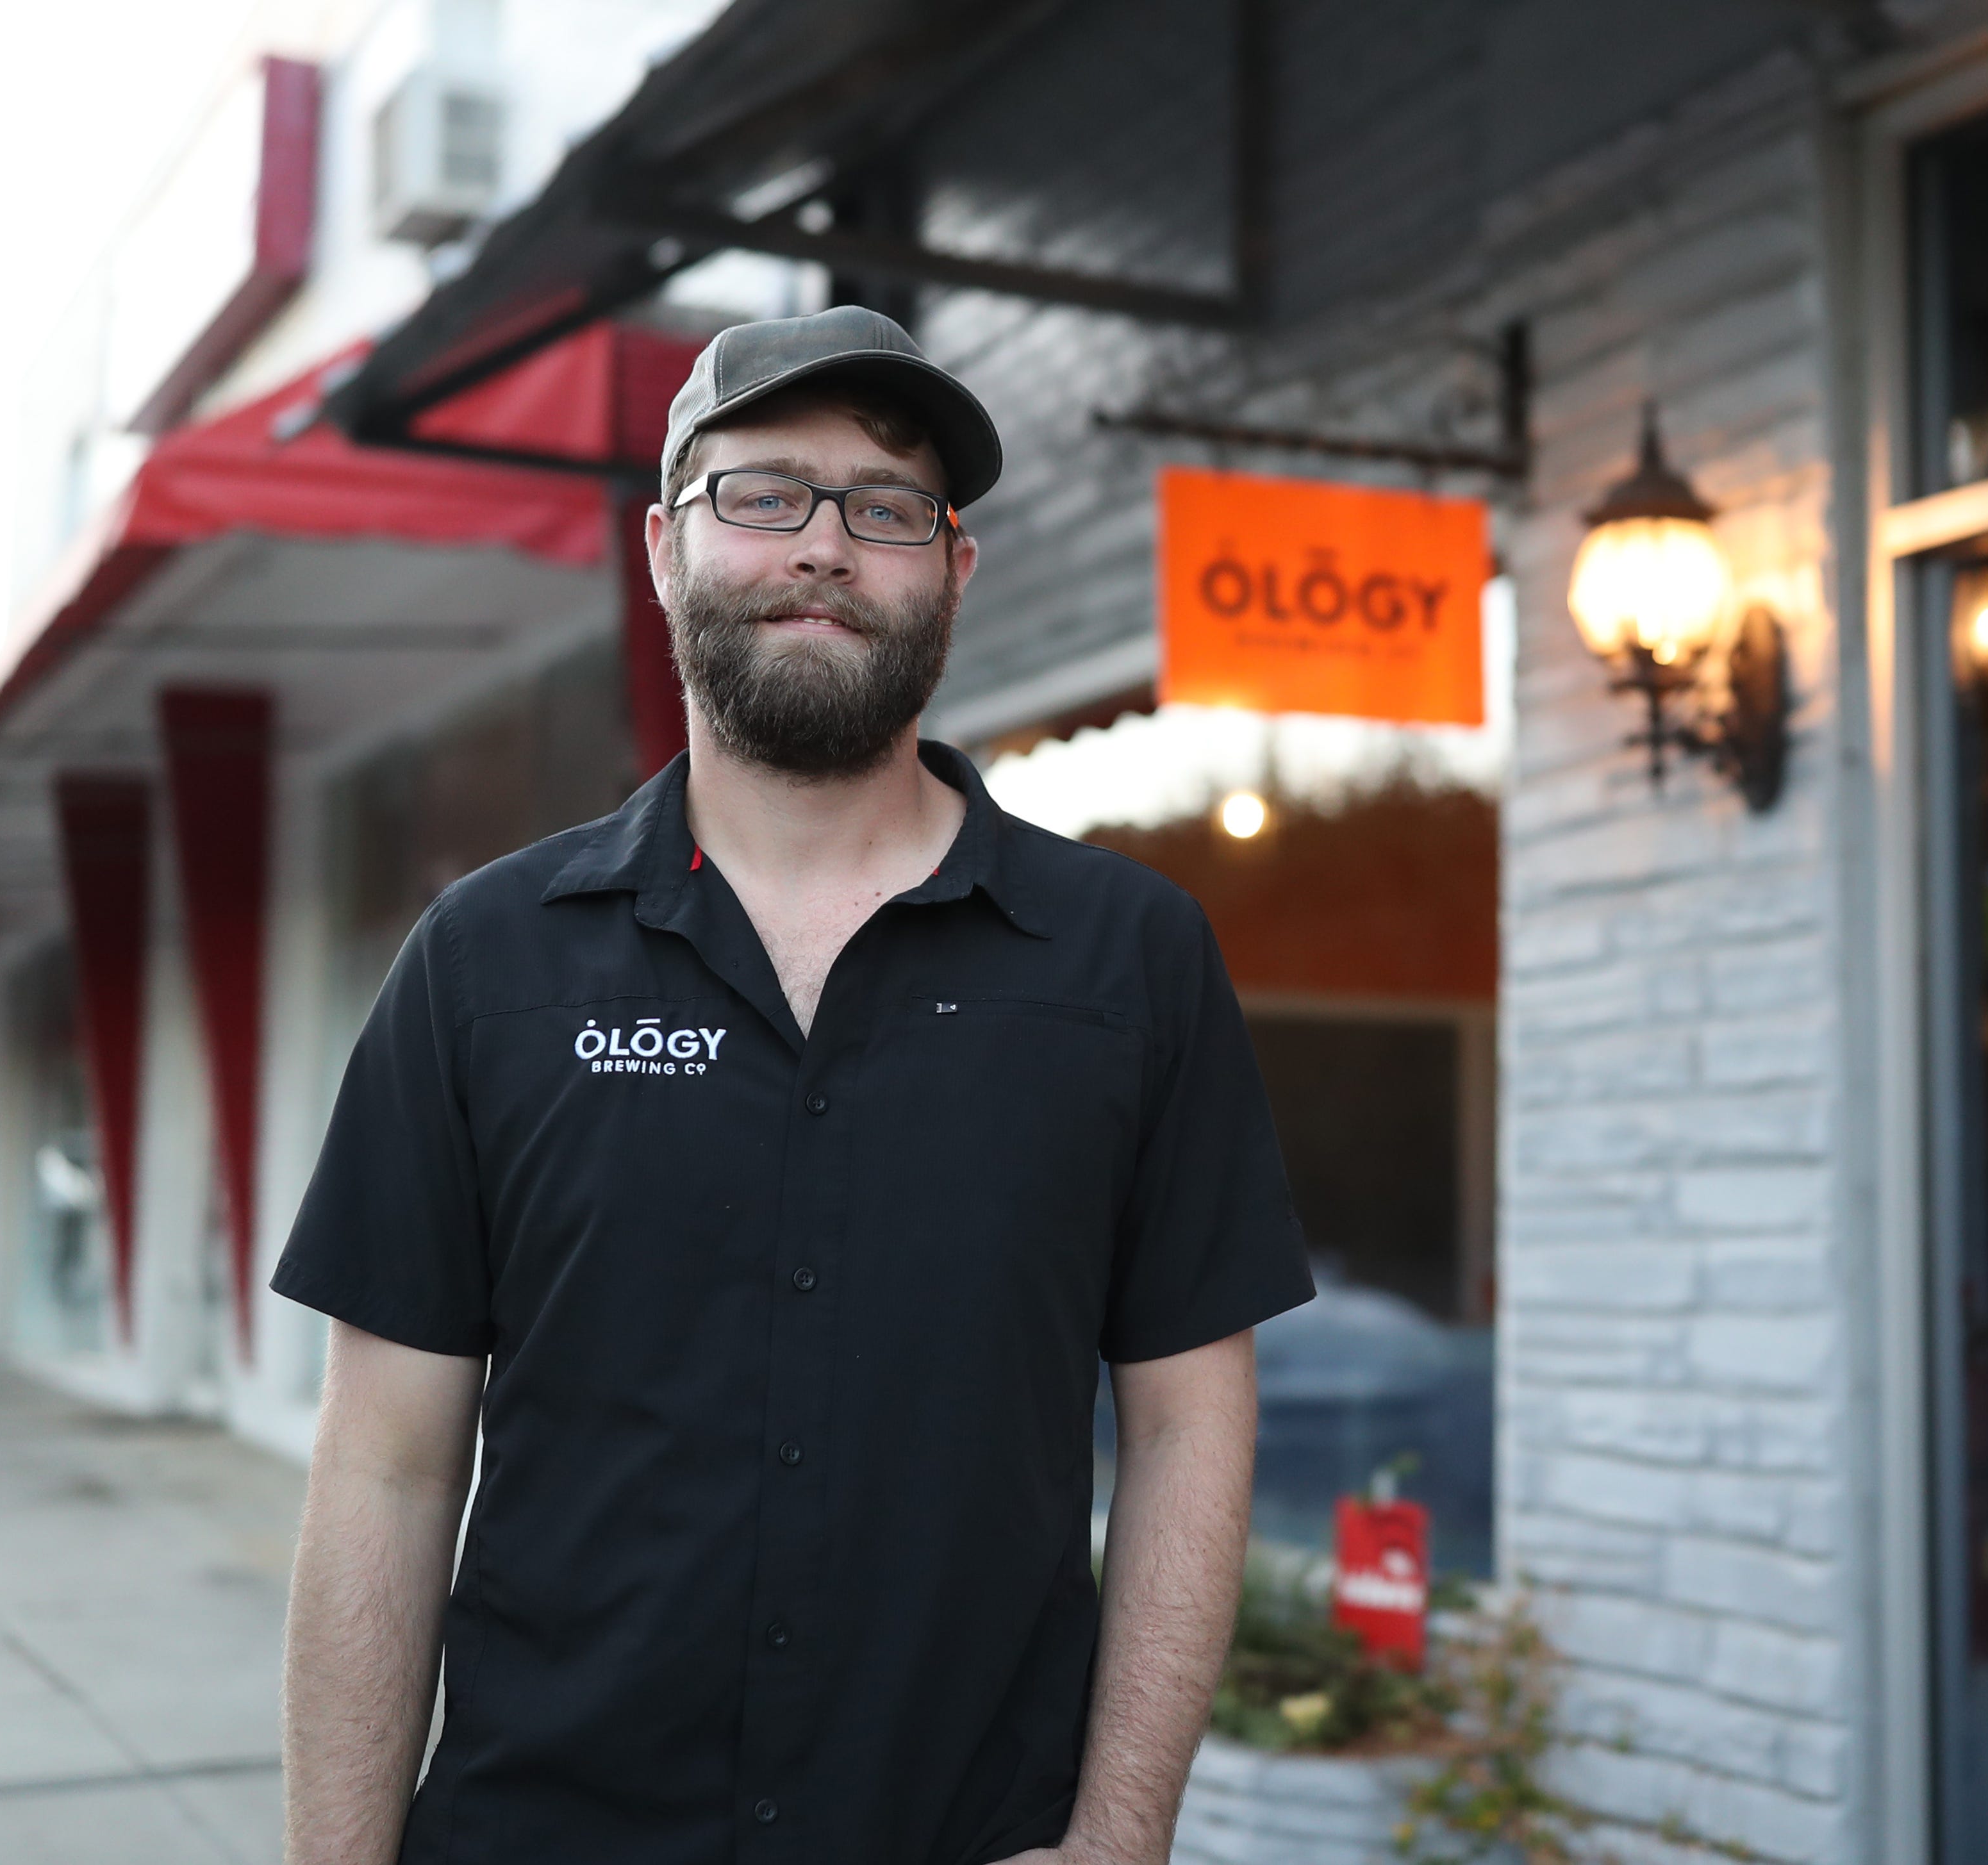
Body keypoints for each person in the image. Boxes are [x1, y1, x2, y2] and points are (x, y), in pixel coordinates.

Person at [274, 306, 1313, 1865]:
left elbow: (1184, 1433)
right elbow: (387, 1460)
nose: (824, 546)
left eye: (884, 509)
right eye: (764, 494)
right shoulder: (486, 962)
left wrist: (1117, 1841)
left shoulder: (1125, 963)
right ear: (664, 549)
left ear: (952, 571)